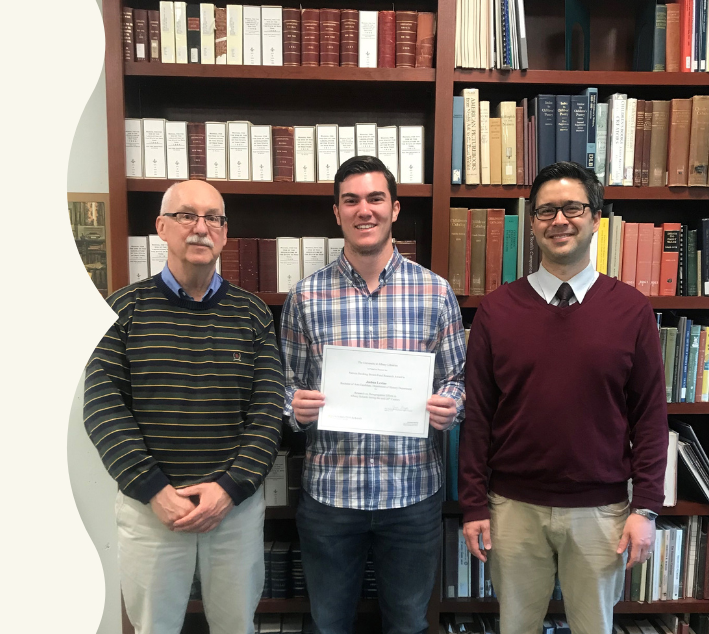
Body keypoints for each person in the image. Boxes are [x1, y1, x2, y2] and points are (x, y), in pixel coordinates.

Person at [459, 161, 665, 634]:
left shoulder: (632, 309)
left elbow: (650, 417)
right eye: (546, 211)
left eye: (573, 208)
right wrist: (473, 504)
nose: (559, 221)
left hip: (603, 514)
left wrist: (646, 508)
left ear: (596, 218)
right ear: (532, 224)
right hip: (512, 509)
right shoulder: (496, 310)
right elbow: (478, 419)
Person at [84, 179, 286, 634]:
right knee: (155, 627)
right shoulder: (123, 310)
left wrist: (231, 488)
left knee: (237, 626)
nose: (200, 228)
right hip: (152, 509)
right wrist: (155, 490)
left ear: (224, 233)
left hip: (232, 510)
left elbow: (269, 410)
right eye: (186, 216)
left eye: (213, 218)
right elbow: (101, 406)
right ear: (161, 227)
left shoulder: (252, 314)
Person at [278, 155, 466, 634]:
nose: (365, 210)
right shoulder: (306, 296)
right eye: (352, 200)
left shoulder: (434, 291)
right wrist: (295, 409)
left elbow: (458, 378)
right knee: (328, 624)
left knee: (407, 623)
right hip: (330, 497)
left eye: (375, 198)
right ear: (337, 212)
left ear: (395, 208)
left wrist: (450, 406)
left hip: (412, 494)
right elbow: (285, 384)